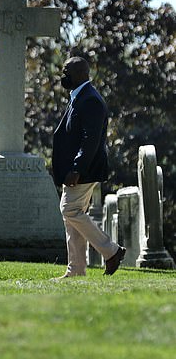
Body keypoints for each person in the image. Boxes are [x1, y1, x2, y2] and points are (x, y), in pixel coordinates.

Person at [52, 56, 126, 278]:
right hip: (74, 170)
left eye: (68, 72)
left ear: (82, 74)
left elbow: (90, 139)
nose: (64, 76)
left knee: (70, 210)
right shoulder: (78, 97)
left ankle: (111, 251)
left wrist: (77, 168)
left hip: (83, 169)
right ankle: (75, 270)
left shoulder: (90, 100)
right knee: (72, 217)